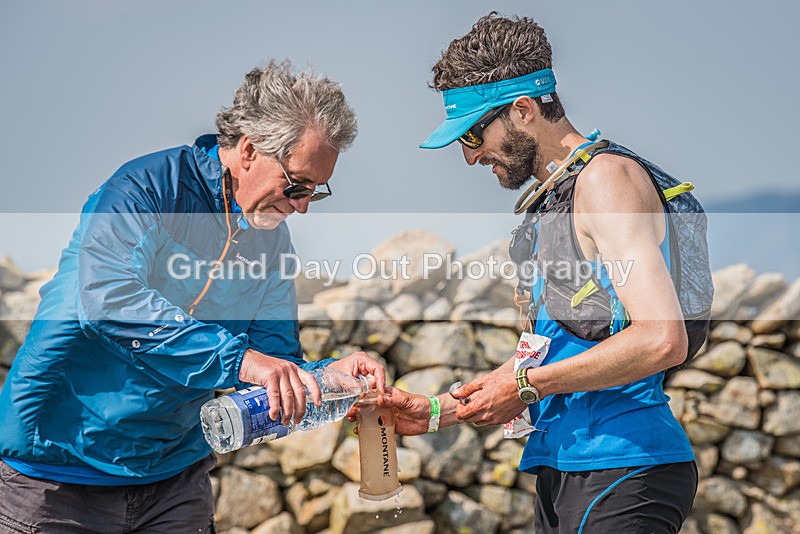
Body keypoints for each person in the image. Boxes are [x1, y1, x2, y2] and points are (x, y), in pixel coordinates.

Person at [0, 60, 385, 533]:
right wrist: (244, 362)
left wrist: (326, 378)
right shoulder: (144, 189)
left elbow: (270, 363)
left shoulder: (271, 239)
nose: (303, 207)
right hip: (56, 473)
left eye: (315, 192)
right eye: (297, 185)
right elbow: (107, 298)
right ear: (249, 151)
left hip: (175, 481)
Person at [380, 14, 702, 533]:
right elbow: (553, 352)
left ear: (523, 110)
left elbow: (663, 339)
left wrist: (528, 387)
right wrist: (440, 411)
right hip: (563, 468)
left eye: (472, 134)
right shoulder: (554, 201)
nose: (470, 157)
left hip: (626, 465)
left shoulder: (607, 181)